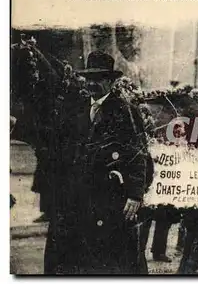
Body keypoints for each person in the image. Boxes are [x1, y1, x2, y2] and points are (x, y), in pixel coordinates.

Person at [47, 51, 153, 274]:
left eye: (100, 79)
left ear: (111, 82)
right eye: (90, 79)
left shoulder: (125, 110)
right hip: (80, 195)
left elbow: (138, 153)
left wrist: (135, 194)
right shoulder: (77, 107)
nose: (93, 84)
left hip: (110, 197)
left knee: (113, 259)